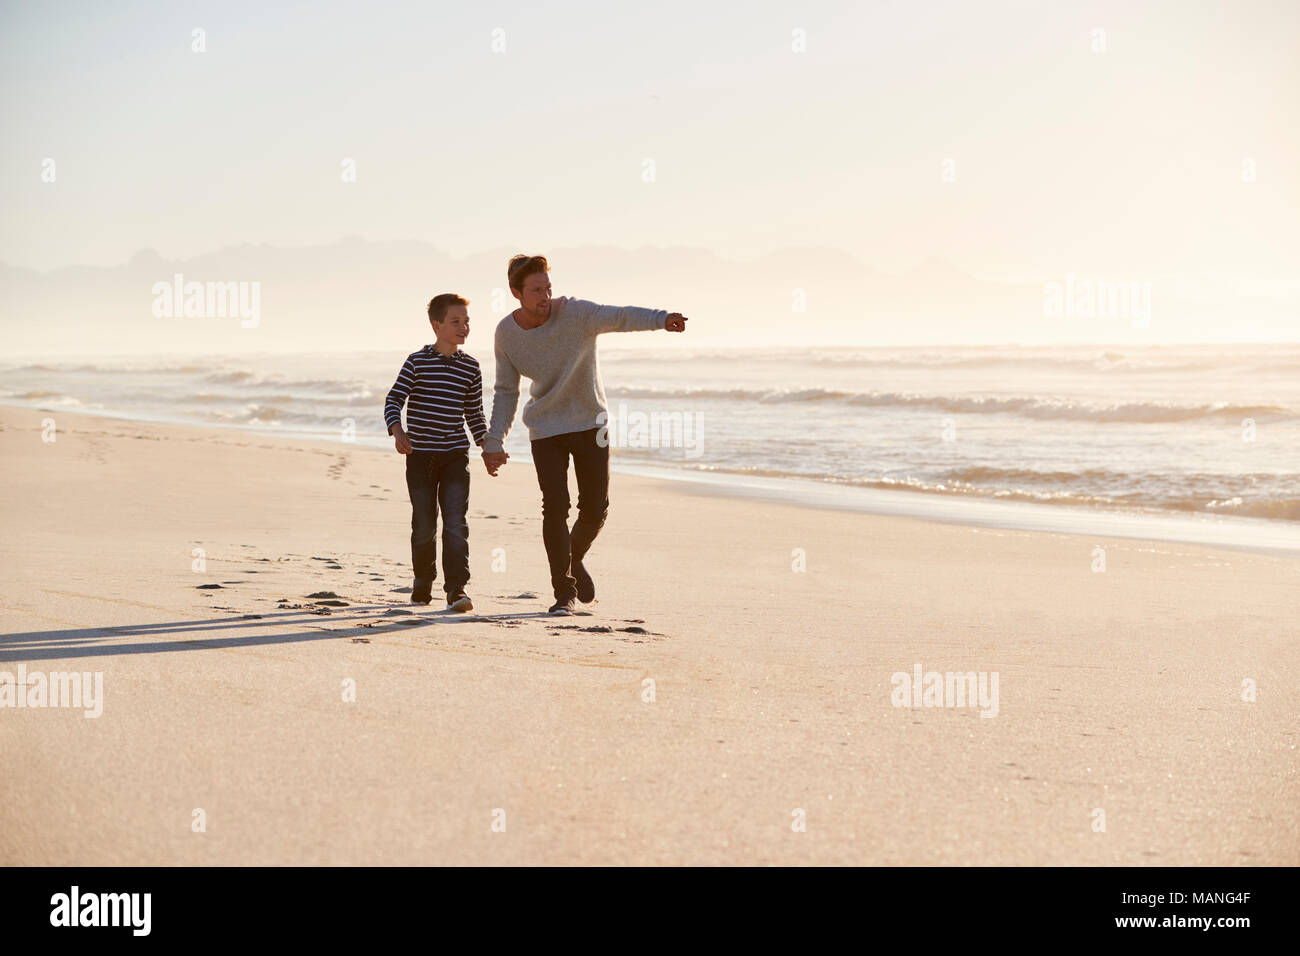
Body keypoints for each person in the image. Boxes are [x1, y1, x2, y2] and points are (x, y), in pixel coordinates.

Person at [482, 254, 689, 615]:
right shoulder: (506, 334)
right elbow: (506, 391)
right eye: (535, 290)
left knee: (595, 509)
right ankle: (564, 592)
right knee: (555, 508)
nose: (544, 296)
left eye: (548, 287)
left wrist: (661, 319)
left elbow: (620, 316)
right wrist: (494, 439)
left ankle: (572, 560)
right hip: (545, 428)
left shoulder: (577, 314)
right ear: (516, 293)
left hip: (591, 424)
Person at [384, 293, 487, 611]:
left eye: (467, 321)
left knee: (456, 523)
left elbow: (475, 414)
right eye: (456, 321)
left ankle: (457, 589)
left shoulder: (470, 367)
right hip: (421, 456)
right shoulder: (417, 361)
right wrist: (398, 432)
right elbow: (393, 400)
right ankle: (422, 582)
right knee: (425, 524)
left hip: (455, 454)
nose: (464, 327)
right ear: (436, 325)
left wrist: (488, 447)